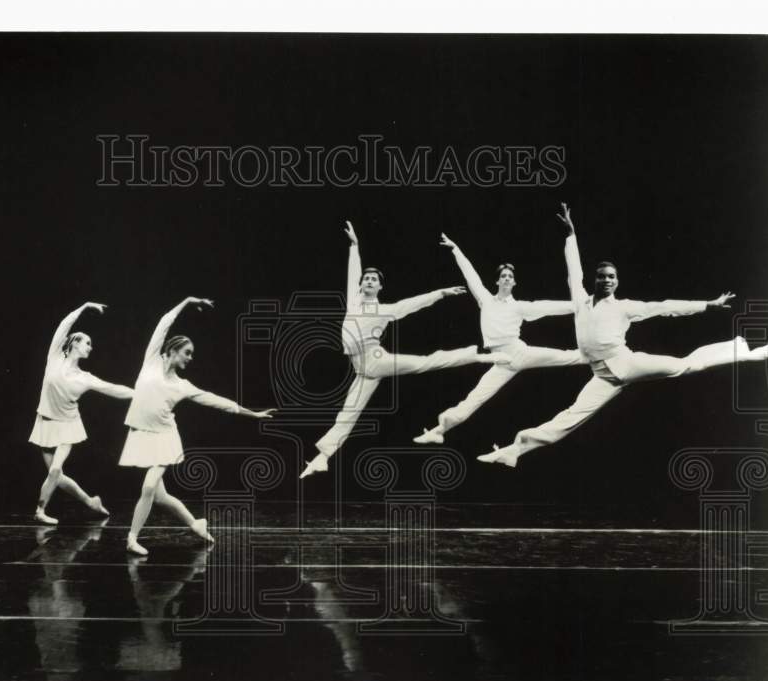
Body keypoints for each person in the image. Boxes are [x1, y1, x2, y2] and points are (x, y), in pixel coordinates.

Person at [479, 204, 768, 467]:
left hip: (625, 364)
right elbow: (573, 269)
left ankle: (744, 350)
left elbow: (663, 307)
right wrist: (571, 234)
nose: (606, 280)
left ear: (617, 281)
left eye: (611, 277)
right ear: (596, 280)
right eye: (601, 276)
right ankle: (516, 449)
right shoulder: (580, 301)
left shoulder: (625, 307)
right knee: (569, 418)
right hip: (602, 376)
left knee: (687, 366)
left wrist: (706, 305)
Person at [300, 221, 511, 478]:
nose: (368, 281)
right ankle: (323, 457)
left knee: (426, 362)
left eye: (373, 280)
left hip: (375, 359)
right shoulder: (354, 300)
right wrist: (355, 246)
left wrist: (439, 293)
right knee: (349, 413)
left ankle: (478, 356)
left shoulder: (384, 310)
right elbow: (352, 274)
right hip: (362, 369)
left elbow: (409, 305)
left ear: (379, 287)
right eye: (366, 278)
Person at [121, 296, 275, 556]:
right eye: (187, 353)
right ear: (172, 350)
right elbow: (164, 323)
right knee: (159, 497)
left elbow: (216, 401)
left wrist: (254, 414)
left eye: (192, 355)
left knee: (148, 487)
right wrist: (186, 302)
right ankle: (196, 524)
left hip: (164, 438)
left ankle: (132, 538)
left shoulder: (184, 386)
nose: (191, 358)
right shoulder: (151, 361)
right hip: (140, 434)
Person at [413, 233, 583, 445]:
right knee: (475, 398)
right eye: (503, 276)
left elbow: (546, 307)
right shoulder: (485, 300)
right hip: (500, 361)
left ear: (514, 282)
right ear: (497, 280)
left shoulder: (518, 306)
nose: (506, 278)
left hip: (519, 352)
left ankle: (603, 355)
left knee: (568, 357)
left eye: (510, 276)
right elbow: (471, 275)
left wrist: (576, 307)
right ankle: (438, 431)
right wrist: (455, 248)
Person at [30, 302, 133, 525]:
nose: (90, 347)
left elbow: (113, 389)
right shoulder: (55, 357)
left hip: (68, 425)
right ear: (74, 343)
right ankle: (90, 502)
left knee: (55, 470)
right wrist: (85, 306)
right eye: (87, 343)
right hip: (45, 423)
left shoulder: (85, 378)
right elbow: (64, 324)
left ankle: (40, 511)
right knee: (56, 477)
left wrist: (140, 394)